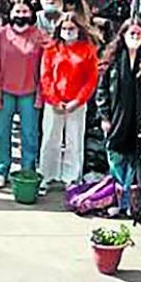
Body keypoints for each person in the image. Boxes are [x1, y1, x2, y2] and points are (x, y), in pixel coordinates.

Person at [96, 20, 141, 216]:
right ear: (123, 35)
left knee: (133, 161)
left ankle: (129, 201)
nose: (135, 37)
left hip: (138, 120)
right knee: (115, 159)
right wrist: (104, 116)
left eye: (139, 34)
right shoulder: (112, 60)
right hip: (116, 118)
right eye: (131, 33)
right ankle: (116, 197)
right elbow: (102, 90)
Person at [38, 13, 100, 187]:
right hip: (53, 102)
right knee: (50, 138)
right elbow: (45, 76)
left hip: (77, 103)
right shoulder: (51, 49)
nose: (68, 31)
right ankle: (46, 174)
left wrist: (78, 101)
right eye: (64, 28)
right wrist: (54, 99)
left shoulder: (88, 50)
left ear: (79, 30)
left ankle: (71, 177)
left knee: (75, 140)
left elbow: (91, 79)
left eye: (71, 28)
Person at [0, 0, 45, 189]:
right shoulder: (1, 35)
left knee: (30, 134)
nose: (21, 14)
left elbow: (43, 70)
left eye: (25, 11)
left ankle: (27, 171)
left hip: (29, 92)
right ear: (11, 13)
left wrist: (40, 95)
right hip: (5, 91)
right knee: (1, 133)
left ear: (31, 13)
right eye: (17, 11)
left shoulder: (40, 36)